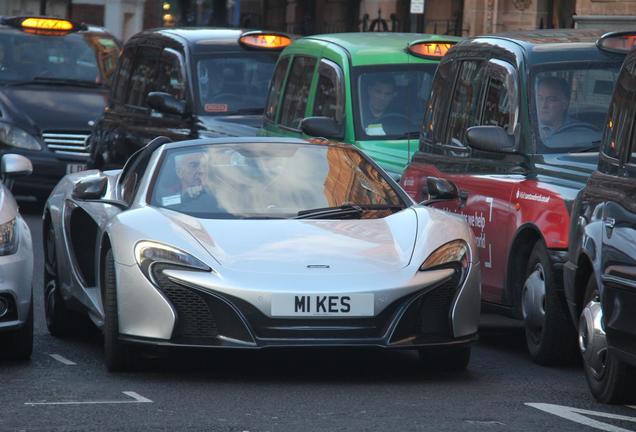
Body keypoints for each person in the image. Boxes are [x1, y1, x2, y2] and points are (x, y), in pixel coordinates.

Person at [536, 76, 597, 144]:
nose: (544, 105)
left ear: (565, 104)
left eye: (551, 99)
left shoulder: (582, 131)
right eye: (539, 98)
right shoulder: (527, 130)